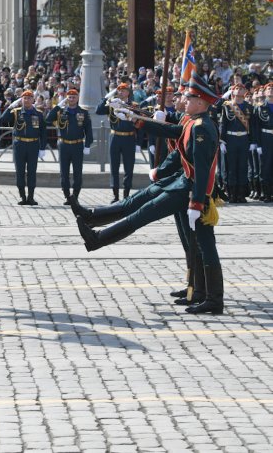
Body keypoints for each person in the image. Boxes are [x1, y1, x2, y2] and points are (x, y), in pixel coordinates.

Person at [75, 74, 225, 315]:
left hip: (192, 191)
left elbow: (202, 169)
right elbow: (173, 131)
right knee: (198, 243)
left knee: (156, 220)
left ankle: (214, 299)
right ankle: (200, 293)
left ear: (200, 102)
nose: (184, 100)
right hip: (184, 186)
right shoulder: (193, 123)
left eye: (188, 98)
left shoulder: (202, 129)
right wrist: (137, 120)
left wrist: (197, 203)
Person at [45, 88, 94, 205]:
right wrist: (57, 106)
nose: (71, 99)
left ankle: (75, 196)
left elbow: (89, 131)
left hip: (77, 145)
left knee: (77, 172)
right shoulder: (61, 112)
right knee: (64, 173)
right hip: (64, 145)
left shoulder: (83, 112)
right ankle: (67, 196)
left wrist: (87, 145)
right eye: (69, 97)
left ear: (77, 98)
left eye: (74, 97)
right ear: (67, 98)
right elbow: (47, 119)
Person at [0, 90, 47, 205]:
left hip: (33, 145)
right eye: (24, 98)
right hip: (19, 145)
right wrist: (11, 106)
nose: (27, 100)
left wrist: (42, 148)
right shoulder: (16, 112)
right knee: (20, 171)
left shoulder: (38, 114)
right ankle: (22, 196)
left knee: (32, 172)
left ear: (33, 100)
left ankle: (31, 197)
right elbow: (3, 119)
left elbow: (43, 132)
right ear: (21, 100)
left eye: (29, 98)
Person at [96, 83, 138, 202]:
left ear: (128, 93)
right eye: (119, 90)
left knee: (129, 167)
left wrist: (139, 143)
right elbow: (98, 110)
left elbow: (139, 125)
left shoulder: (133, 106)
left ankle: (126, 194)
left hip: (129, 138)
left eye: (123, 90)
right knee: (114, 167)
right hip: (115, 137)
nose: (121, 92)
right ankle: (115, 195)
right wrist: (105, 98)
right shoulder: (111, 105)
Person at [220, 83, 255, 203]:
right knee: (231, 167)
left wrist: (252, 142)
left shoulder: (249, 107)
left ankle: (241, 194)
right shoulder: (227, 106)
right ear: (232, 91)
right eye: (237, 88)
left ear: (245, 90)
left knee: (242, 166)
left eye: (241, 88)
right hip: (230, 139)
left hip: (244, 139)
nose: (239, 90)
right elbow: (223, 124)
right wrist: (222, 141)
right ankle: (232, 194)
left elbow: (253, 126)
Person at [257, 82, 273, 202]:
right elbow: (255, 127)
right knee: (265, 166)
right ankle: (266, 193)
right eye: (269, 89)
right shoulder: (260, 107)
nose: (271, 90)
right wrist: (257, 143)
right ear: (265, 92)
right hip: (265, 137)